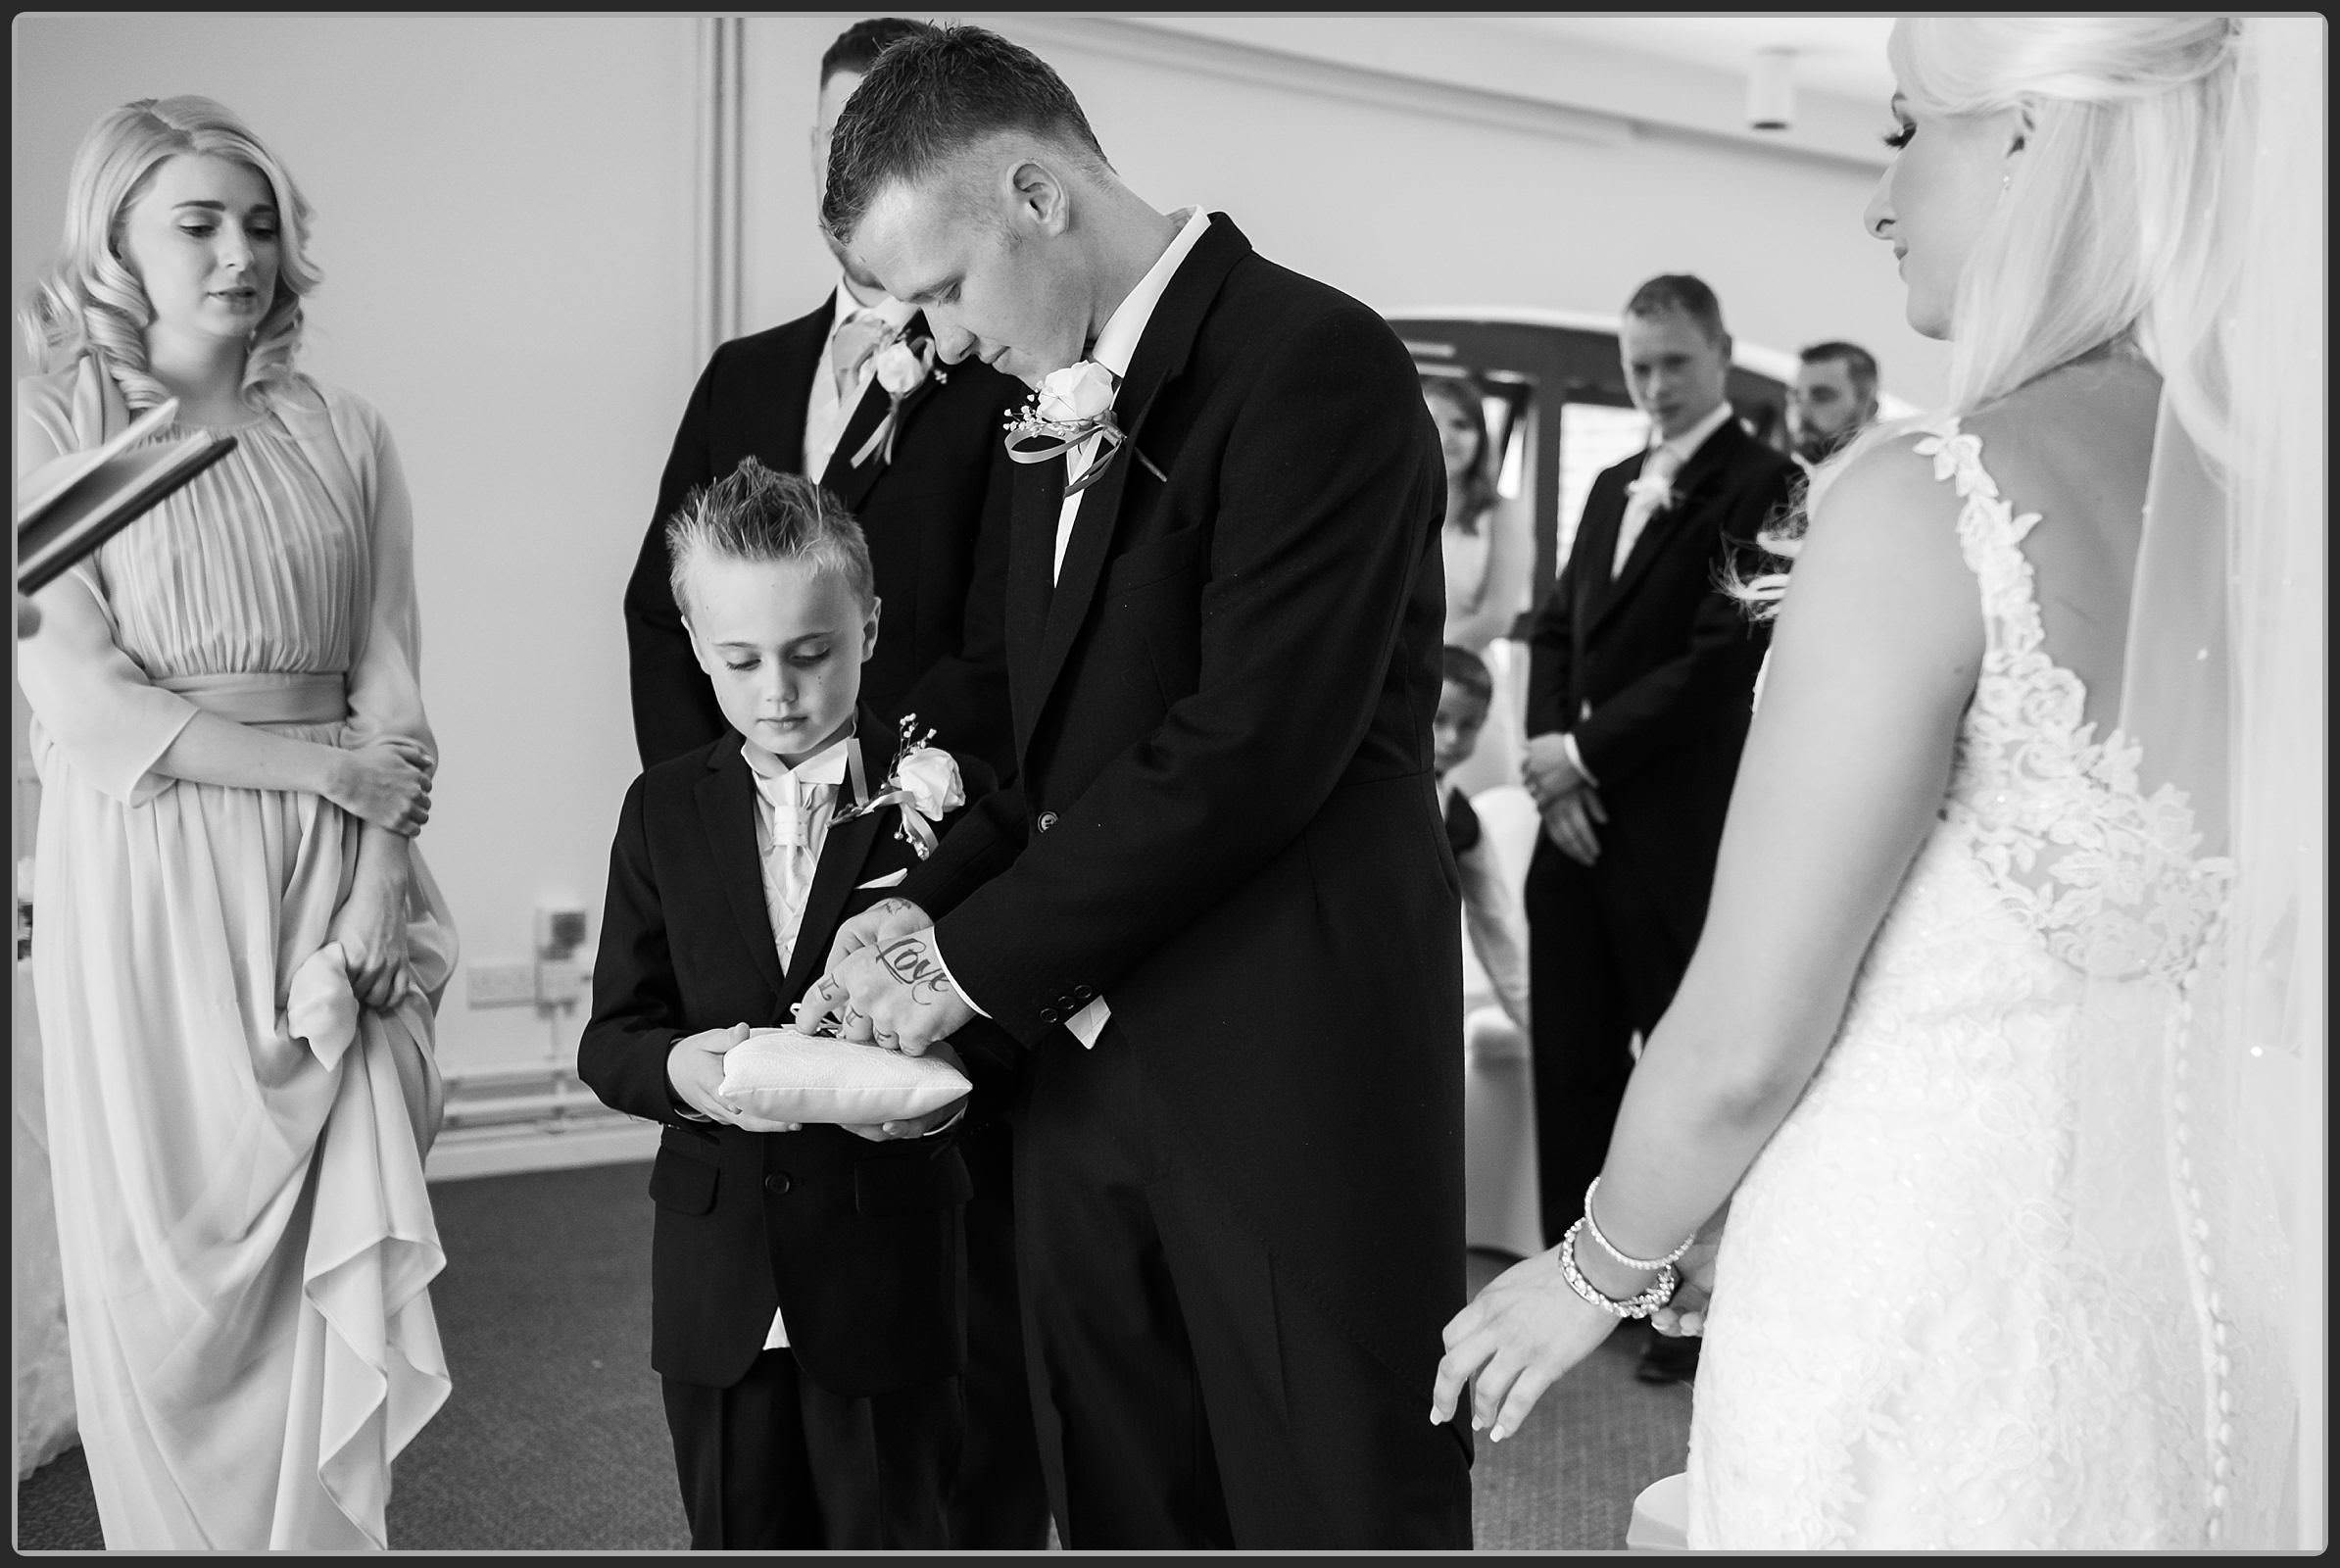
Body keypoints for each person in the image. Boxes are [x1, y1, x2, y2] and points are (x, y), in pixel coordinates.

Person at [1433, 16, 2314, 1550]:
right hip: (2202, 1306)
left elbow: (1745, 1040)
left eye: (1909, 128)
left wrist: (1589, 1270)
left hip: (1919, 1312)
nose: (1879, 194)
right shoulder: (2277, 518)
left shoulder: (1929, 505)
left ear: (2030, 138)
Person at [797, 24, 1473, 1549]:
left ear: (1037, 194)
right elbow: (1052, 762)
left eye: (941, 292)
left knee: (1330, 1497)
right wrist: (908, 918)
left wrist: (963, 967)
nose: (944, 346)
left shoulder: (1316, 362)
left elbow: (1249, 751)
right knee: (1122, 1490)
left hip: (1286, 1069)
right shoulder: (1054, 413)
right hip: (1089, 1072)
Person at [620, 21, 1048, 1546]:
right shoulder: (743, 375)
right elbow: (658, 610)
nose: (848, 164)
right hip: (756, 850)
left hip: (934, 856)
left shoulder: (1011, 370)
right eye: (831, 136)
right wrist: (727, 805)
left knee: (947, 1318)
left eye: (882, 130)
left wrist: (913, 806)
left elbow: (1018, 634)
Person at [14, 95, 454, 1549]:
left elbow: (391, 674)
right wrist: (327, 779)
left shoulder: (347, 432)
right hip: (149, 873)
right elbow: (82, 700)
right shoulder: (69, 426)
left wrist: (381, 870)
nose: (237, 254)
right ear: (117, 244)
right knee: (171, 1280)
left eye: (258, 222)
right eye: (196, 224)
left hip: (336, 870)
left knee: (314, 1279)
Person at [578, 460, 1005, 1549]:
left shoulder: (952, 807)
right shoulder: (661, 809)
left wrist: (939, 1100)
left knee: (895, 1529)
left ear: (867, 621)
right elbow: (614, 1036)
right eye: (740, 660)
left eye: (812, 653)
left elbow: (1009, 1014)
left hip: (889, 1275)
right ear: (691, 638)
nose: (778, 690)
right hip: (717, 1283)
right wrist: (685, 1072)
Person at [1515, 273, 1796, 1385]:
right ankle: (1576, 1283)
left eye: (1674, 361)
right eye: (1638, 364)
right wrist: (1550, 767)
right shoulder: (1616, 480)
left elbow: (1720, 661)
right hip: (1572, 828)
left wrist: (1582, 755)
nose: (1655, 384)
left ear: (1721, 353)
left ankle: (1683, 1303)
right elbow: (1550, 629)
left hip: (1674, 827)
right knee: (1572, 1059)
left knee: (1675, 1064)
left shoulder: (1769, 481)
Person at [1437, 646, 1541, 1258]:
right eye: (1439, 718)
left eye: (1469, 725)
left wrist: (1535, 1024)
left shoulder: (1463, 821)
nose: (1451, 739)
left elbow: (1497, 927)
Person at [1423, 374, 1533, 798]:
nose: (1447, 436)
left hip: (1468, 686)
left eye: (1461, 424)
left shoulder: (1502, 513)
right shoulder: (1398, 508)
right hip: (1402, 682)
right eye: (1433, 421)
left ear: (1481, 436)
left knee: (1474, 815)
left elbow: (1497, 615)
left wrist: (1421, 661)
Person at [1786, 340, 1880, 469]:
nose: (1801, 411)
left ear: (1869, 410)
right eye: (1796, 398)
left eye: (1821, 397)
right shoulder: (1785, 479)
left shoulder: (1882, 481)